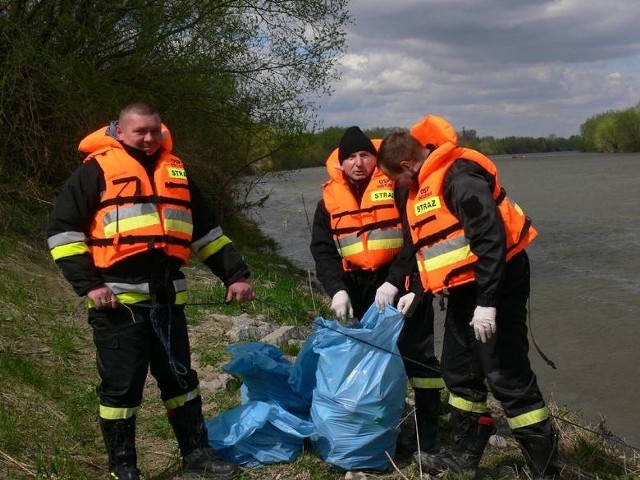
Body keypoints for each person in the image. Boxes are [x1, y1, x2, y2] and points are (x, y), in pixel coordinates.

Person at [46, 102, 255, 480]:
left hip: (167, 301)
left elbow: (206, 234)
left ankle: (197, 455)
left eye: (153, 131)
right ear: (120, 132)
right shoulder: (94, 171)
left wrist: (235, 276)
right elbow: (62, 234)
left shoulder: (177, 172)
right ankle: (123, 467)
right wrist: (90, 285)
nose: (147, 138)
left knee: (180, 379)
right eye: (139, 131)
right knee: (122, 388)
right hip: (118, 305)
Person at [376, 115, 560, 479]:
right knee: (459, 371)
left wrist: (488, 303)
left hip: (499, 280)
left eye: (398, 177)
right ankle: (463, 456)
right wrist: (404, 286)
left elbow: (491, 241)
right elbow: (419, 243)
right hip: (462, 289)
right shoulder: (415, 189)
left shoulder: (459, 179)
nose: (398, 186)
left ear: (409, 165)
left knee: (505, 373)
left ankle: (546, 469)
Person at [309, 126, 444, 456]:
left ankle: (429, 437)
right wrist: (336, 290)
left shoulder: (398, 187)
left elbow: (416, 237)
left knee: (419, 359)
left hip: (400, 285)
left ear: (375, 158)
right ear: (340, 165)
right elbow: (323, 252)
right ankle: (376, 431)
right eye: (350, 158)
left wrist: (396, 280)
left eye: (364, 155)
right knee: (367, 365)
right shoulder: (328, 202)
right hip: (355, 288)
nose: (358, 163)